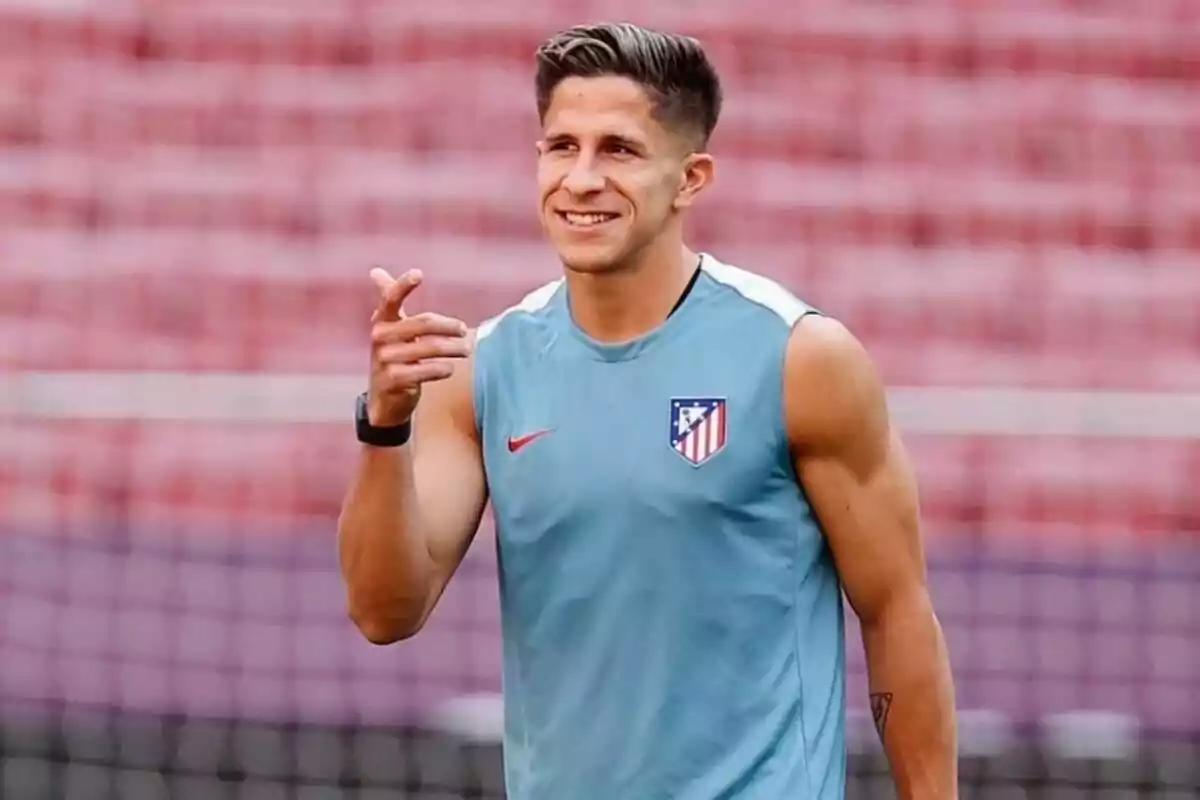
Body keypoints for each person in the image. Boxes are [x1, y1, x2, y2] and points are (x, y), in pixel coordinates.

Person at [337, 22, 958, 799]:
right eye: (561, 147)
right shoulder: (484, 371)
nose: (582, 178)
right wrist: (385, 424)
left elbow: (896, 614)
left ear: (690, 178)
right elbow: (382, 611)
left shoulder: (801, 358)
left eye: (619, 150)